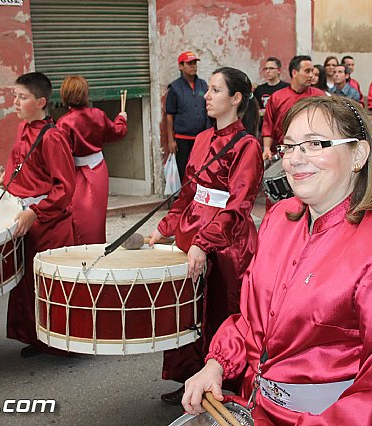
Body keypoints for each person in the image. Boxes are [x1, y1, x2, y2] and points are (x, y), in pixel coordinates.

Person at [181, 96, 372, 425]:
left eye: (314, 144)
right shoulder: (278, 219)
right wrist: (216, 364)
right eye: (289, 146)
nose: (295, 159)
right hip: (260, 410)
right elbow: (250, 320)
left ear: (358, 154)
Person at [150, 67, 264, 404]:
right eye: (208, 89)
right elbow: (188, 192)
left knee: (220, 311)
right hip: (192, 230)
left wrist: (205, 241)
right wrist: (165, 227)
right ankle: (190, 379)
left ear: (237, 98)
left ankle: (225, 385)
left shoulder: (248, 146)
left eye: (215, 90)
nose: (206, 96)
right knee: (187, 312)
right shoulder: (201, 139)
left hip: (228, 241)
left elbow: (239, 203)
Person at [4, 72, 76, 357]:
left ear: (41, 102)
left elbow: (65, 188)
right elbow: (18, 166)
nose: (16, 102)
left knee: (51, 287)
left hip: (49, 222)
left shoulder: (53, 137)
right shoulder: (23, 128)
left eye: (22, 97)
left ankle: (61, 343)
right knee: (27, 284)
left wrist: (36, 212)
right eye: (15, 96)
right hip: (24, 217)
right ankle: (37, 338)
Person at [57, 75, 128, 245]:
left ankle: (78, 253)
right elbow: (117, 132)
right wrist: (122, 119)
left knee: (78, 219)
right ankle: (97, 249)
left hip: (74, 174)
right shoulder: (98, 114)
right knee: (97, 217)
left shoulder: (63, 123)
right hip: (98, 170)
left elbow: (60, 154)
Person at [262, 55, 327, 160]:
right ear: (294, 73)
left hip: (312, 153)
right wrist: (266, 148)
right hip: (283, 153)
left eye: (312, 71)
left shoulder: (320, 96)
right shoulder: (277, 97)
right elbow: (268, 125)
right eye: (307, 71)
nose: (311, 75)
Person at [166, 51, 211, 181]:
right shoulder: (175, 88)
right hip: (182, 138)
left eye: (195, 63)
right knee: (183, 170)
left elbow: (208, 109)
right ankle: (184, 199)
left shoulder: (203, 84)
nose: (193, 66)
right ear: (181, 66)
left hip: (201, 138)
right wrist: (170, 140)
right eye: (189, 63)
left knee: (201, 168)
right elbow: (170, 115)